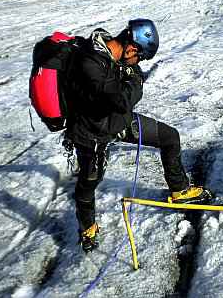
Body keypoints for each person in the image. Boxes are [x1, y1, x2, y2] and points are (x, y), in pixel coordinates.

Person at [64, 18, 211, 253]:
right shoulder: (89, 63)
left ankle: (180, 189)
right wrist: (133, 80)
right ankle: (87, 227)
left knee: (169, 137)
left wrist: (133, 78)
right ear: (132, 48)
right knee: (88, 183)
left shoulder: (117, 53)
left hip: (118, 122)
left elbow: (130, 83)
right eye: (139, 57)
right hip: (91, 134)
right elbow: (121, 98)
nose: (138, 62)